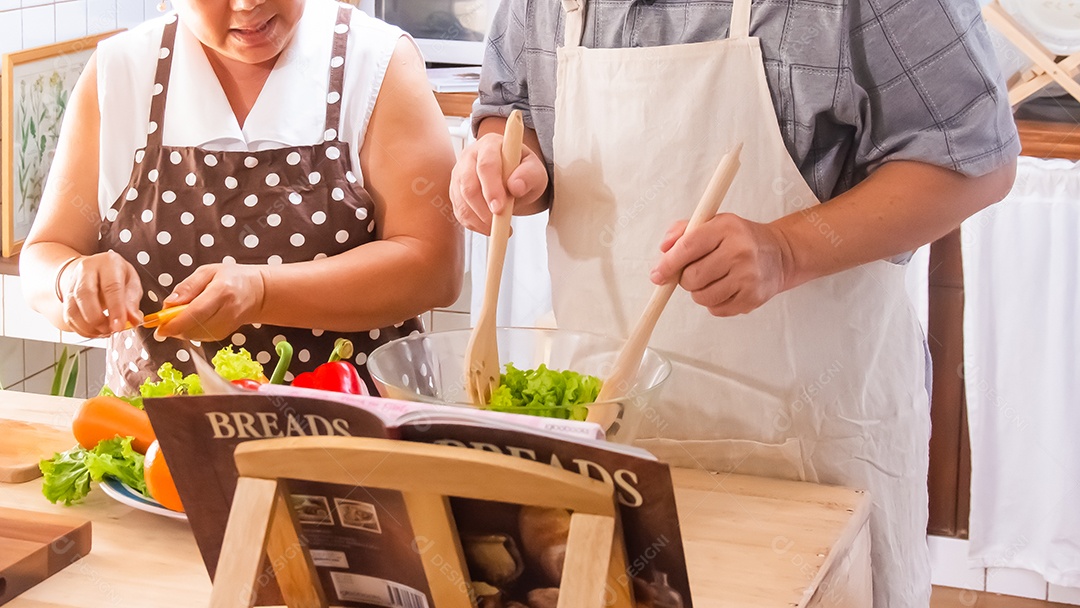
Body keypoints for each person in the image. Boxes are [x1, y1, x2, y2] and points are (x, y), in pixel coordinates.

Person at [450, 0, 1018, 605]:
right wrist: (509, 167)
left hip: (808, 461)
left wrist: (786, 250)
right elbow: (511, 111)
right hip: (610, 453)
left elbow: (973, 158)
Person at [21, 0, 463, 393]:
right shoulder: (120, 71)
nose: (249, 4)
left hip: (353, 433)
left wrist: (260, 291)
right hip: (157, 446)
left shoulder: (376, 62)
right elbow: (45, 253)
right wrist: (71, 281)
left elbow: (433, 266)